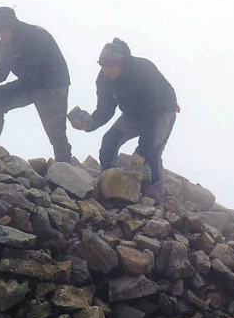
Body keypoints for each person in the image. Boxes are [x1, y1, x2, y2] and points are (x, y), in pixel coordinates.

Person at [70, 38, 178, 202]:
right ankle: (108, 185)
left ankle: (153, 198)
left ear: (122, 62)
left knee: (151, 154)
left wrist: (141, 149)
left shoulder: (143, 71)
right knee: (109, 141)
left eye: (110, 66)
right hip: (133, 114)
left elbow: (151, 113)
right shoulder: (105, 79)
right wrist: (88, 124)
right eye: (103, 66)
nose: (105, 70)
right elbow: (105, 110)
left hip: (161, 111)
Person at [0, 7, 72, 163]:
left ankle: (65, 168)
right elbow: (1, 72)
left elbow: (30, 79)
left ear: (10, 25)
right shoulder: (5, 43)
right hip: (28, 84)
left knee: (55, 131)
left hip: (52, 87)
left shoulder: (36, 37)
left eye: (0, 31)